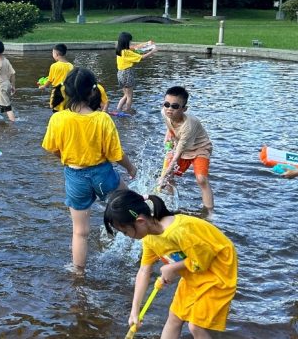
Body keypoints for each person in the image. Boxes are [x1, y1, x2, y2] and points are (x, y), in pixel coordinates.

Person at [104, 189, 237, 338]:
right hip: (194, 273)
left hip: (218, 272)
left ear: (140, 221)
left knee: (196, 326)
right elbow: (143, 271)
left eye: (125, 232)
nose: (127, 237)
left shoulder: (180, 231)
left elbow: (203, 261)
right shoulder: (150, 238)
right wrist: (135, 311)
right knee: (174, 318)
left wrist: (173, 267)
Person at [41, 67, 137, 272]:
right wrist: (131, 168)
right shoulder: (102, 119)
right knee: (130, 204)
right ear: (93, 91)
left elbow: (52, 149)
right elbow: (116, 155)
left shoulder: (57, 119)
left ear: (66, 91)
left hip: (75, 176)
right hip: (102, 173)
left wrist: (67, 158)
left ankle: (78, 273)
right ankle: (136, 246)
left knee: (80, 232)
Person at [159, 86, 214, 210]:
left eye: (175, 106)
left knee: (201, 179)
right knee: (169, 178)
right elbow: (170, 123)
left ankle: (209, 213)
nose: (169, 109)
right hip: (181, 145)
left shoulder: (188, 125)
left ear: (184, 109)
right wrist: (169, 133)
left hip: (199, 148)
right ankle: (171, 206)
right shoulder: (165, 112)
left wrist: (163, 176)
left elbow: (177, 155)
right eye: (166, 104)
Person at [115, 31, 156, 112]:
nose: (131, 42)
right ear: (126, 42)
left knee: (126, 95)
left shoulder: (120, 50)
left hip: (120, 74)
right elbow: (142, 57)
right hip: (127, 74)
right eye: (130, 41)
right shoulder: (127, 52)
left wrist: (147, 43)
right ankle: (128, 111)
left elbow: (136, 47)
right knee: (130, 96)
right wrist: (152, 51)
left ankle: (118, 109)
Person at [38, 43, 73, 110]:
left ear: (56, 54)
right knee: (65, 109)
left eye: (52, 53)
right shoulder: (71, 66)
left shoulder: (54, 66)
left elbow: (50, 80)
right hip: (68, 92)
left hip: (57, 91)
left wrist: (43, 86)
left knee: (55, 109)